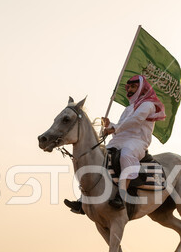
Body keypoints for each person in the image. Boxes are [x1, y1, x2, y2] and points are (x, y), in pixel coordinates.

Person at [64, 75, 165, 214]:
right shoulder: (129, 107)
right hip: (120, 139)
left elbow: (136, 121)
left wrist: (114, 128)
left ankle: (121, 196)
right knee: (97, 157)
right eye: (128, 87)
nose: (129, 89)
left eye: (133, 87)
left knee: (126, 156)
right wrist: (109, 125)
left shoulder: (148, 105)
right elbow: (122, 126)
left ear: (142, 89)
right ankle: (83, 199)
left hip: (137, 141)